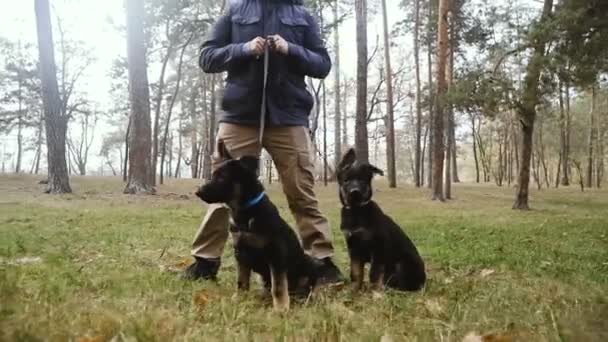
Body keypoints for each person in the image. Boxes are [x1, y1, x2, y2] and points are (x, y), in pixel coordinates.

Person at [183, 0, 344, 286]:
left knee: (301, 191)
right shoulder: (235, 11)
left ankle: (321, 261)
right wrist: (243, 49)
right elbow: (207, 57)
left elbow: (323, 65)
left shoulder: (303, 15)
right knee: (222, 191)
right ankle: (205, 261)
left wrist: (290, 49)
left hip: (289, 116)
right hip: (239, 115)